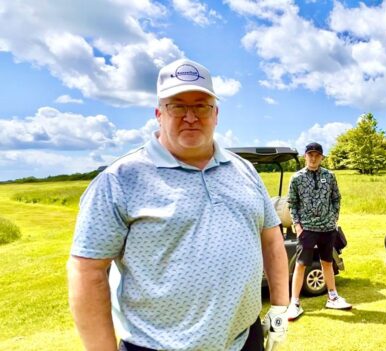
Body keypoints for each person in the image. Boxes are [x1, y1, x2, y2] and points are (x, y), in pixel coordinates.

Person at [67, 58, 289, 351]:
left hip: (244, 340)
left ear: (216, 113)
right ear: (159, 113)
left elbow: (271, 238)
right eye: (177, 105)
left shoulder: (244, 170)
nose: (191, 116)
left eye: (201, 105)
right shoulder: (120, 179)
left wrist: (279, 307)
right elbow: (87, 271)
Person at [286, 142, 352, 320]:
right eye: (310, 155)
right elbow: (292, 203)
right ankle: (294, 303)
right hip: (307, 228)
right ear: (305, 156)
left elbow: (336, 198)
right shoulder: (297, 178)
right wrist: (298, 225)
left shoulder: (329, 176)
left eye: (317, 155)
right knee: (300, 264)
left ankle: (333, 297)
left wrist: (334, 218)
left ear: (322, 157)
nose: (313, 158)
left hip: (327, 228)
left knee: (328, 262)